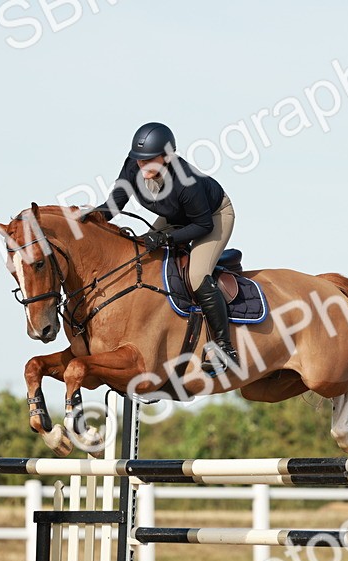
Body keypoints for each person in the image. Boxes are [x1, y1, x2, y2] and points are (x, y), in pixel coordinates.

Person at [90, 122, 238, 375]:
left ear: (167, 157)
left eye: (149, 160)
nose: (142, 165)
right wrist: (87, 219)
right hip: (177, 216)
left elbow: (201, 225)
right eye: (139, 159)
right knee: (141, 258)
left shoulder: (185, 182)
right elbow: (113, 206)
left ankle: (224, 347)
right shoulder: (132, 165)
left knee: (195, 274)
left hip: (212, 217)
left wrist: (167, 239)